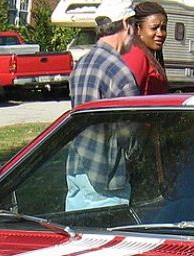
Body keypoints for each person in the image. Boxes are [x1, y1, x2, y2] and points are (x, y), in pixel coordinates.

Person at [65, 0, 141, 210]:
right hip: (106, 175)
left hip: (77, 166)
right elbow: (130, 133)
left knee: (76, 238)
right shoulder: (120, 71)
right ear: (127, 24)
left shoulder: (82, 63)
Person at [122, 2, 168, 95]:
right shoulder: (136, 55)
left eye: (163, 28)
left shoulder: (146, 55)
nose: (160, 33)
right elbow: (128, 98)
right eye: (154, 28)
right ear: (138, 29)